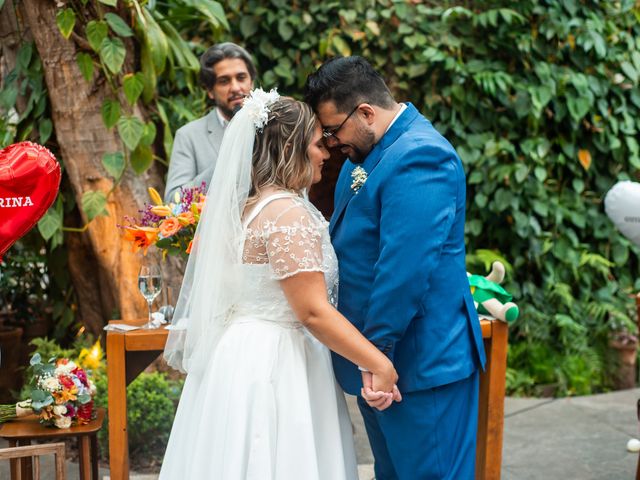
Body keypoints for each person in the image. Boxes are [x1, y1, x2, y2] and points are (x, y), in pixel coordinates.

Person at [160, 90, 401, 480]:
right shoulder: (288, 213)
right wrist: (378, 362)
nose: (325, 153)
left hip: (236, 357)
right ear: (292, 148)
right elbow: (311, 310)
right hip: (277, 362)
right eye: (317, 144)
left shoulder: (246, 208)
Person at [304, 56, 487, 479]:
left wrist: (376, 356)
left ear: (365, 112)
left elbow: (403, 271)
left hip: (419, 364)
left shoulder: (421, 156)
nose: (331, 143)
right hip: (381, 365)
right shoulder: (363, 153)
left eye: (333, 130)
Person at [163, 42, 256, 203]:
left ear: (251, 82)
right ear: (210, 91)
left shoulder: (275, 125)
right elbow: (173, 200)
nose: (235, 87)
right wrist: (225, 162)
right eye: (224, 81)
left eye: (241, 78)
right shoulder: (189, 136)